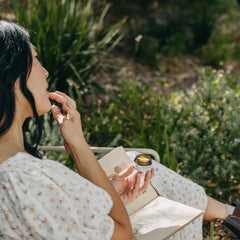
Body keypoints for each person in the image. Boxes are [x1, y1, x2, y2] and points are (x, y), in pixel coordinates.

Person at [0, 20, 239, 240]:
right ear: (10, 75)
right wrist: (78, 145)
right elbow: (124, 234)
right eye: (35, 59)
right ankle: (230, 213)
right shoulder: (24, 177)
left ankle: (229, 213)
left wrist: (109, 198)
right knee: (167, 209)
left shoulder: (17, 171)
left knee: (136, 163)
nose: (45, 72)